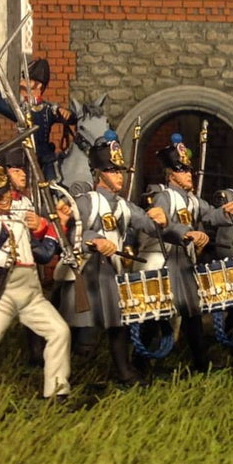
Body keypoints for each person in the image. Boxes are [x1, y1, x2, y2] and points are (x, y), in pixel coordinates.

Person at [0, 160, 75, 398]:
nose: (3, 198)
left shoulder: (19, 219)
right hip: (3, 293)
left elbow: (43, 254)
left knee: (59, 331)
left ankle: (57, 390)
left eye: (5, 191)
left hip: (31, 293)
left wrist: (55, 224)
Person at [136, 133, 233, 370]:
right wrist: (186, 233)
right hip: (165, 261)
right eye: (182, 170)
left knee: (191, 312)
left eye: (188, 170)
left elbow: (210, 214)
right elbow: (160, 227)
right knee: (157, 312)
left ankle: (200, 362)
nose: (188, 174)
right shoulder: (164, 197)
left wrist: (224, 212)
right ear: (171, 174)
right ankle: (140, 362)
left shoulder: (193, 200)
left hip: (183, 262)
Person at [67, 132, 164, 384]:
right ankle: (71, 374)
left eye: (120, 171)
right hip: (88, 272)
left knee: (117, 324)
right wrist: (95, 240)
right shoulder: (86, 202)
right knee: (82, 330)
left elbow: (147, 224)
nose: (119, 176)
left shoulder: (123, 206)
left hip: (112, 272)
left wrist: (159, 218)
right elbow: (74, 232)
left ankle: (123, 371)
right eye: (112, 171)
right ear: (99, 174)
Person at [0, 57, 77, 181]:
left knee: (52, 183)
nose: (21, 82)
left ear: (38, 85)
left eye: (27, 79)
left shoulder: (49, 109)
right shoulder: (19, 109)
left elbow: (71, 119)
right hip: (23, 158)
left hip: (44, 160)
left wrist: (67, 114)